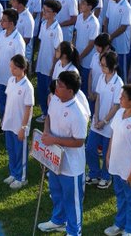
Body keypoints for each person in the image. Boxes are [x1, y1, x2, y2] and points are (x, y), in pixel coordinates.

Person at [37, 70, 91, 236]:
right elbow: (49, 118)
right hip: (54, 159)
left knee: (72, 200)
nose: (56, 86)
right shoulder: (55, 99)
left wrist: (54, 140)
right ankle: (58, 220)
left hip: (72, 166)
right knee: (56, 191)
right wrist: (46, 133)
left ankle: (74, 231)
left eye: (60, 85)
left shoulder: (78, 113)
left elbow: (79, 141)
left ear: (70, 91)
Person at [104, 84, 131, 236]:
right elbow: (113, 134)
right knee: (121, 197)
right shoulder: (120, 113)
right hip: (117, 165)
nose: (119, 99)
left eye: (123, 97)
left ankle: (130, 230)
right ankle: (119, 224)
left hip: (129, 170)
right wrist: (108, 154)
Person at [86, 51, 123, 189]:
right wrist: (96, 116)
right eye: (101, 65)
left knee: (108, 152)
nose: (101, 68)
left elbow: (116, 105)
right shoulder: (102, 77)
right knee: (90, 148)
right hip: (98, 121)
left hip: (109, 125)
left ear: (112, 66)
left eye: (104, 65)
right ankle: (94, 173)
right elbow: (99, 97)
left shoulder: (118, 83)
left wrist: (105, 121)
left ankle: (106, 176)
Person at [0, 54, 34, 190]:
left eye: (14, 68)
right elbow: (9, 101)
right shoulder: (11, 81)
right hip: (9, 122)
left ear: (23, 68)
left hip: (20, 125)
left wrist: (24, 127)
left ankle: (22, 177)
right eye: (11, 67)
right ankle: (13, 173)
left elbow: (28, 108)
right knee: (11, 149)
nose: (11, 70)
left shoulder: (28, 87)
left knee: (20, 151)